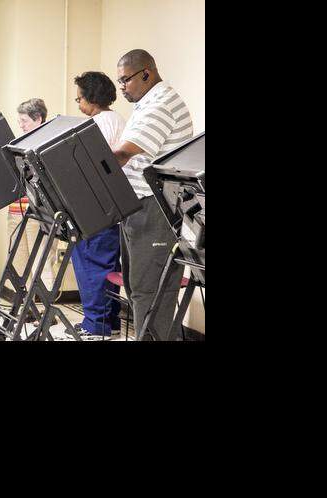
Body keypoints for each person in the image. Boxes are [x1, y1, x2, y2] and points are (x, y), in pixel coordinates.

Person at [110, 49, 193, 341]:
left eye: (125, 80)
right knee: (136, 288)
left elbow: (123, 154)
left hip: (155, 208)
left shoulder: (161, 105)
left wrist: (83, 163)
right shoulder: (147, 103)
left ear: (146, 73)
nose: (121, 88)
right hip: (138, 205)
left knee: (150, 289)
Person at [67, 71, 126, 339]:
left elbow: (88, 168)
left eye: (79, 98)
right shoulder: (117, 120)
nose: (78, 104)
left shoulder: (98, 124)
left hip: (97, 207)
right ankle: (109, 321)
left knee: (91, 264)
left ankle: (95, 326)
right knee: (108, 266)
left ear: (91, 97)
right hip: (114, 208)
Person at [8, 98, 59, 307]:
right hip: (17, 209)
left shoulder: (49, 142)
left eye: (24, 120)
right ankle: (27, 307)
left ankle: (47, 309)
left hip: (40, 212)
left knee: (42, 260)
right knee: (19, 261)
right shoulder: (20, 143)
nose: (20, 125)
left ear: (38, 119)